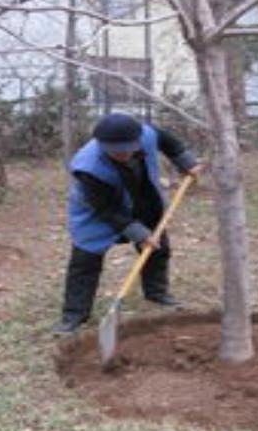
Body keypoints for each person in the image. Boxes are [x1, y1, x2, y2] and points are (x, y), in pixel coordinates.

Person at [53, 113, 205, 334]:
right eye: (116, 151)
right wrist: (138, 234)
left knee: (157, 249)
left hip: (143, 199)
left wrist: (186, 161)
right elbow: (107, 210)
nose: (123, 154)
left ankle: (157, 293)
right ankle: (74, 315)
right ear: (102, 145)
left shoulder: (147, 135)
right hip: (97, 213)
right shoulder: (88, 167)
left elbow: (167, 140)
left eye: (128, 148)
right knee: (84, 261)